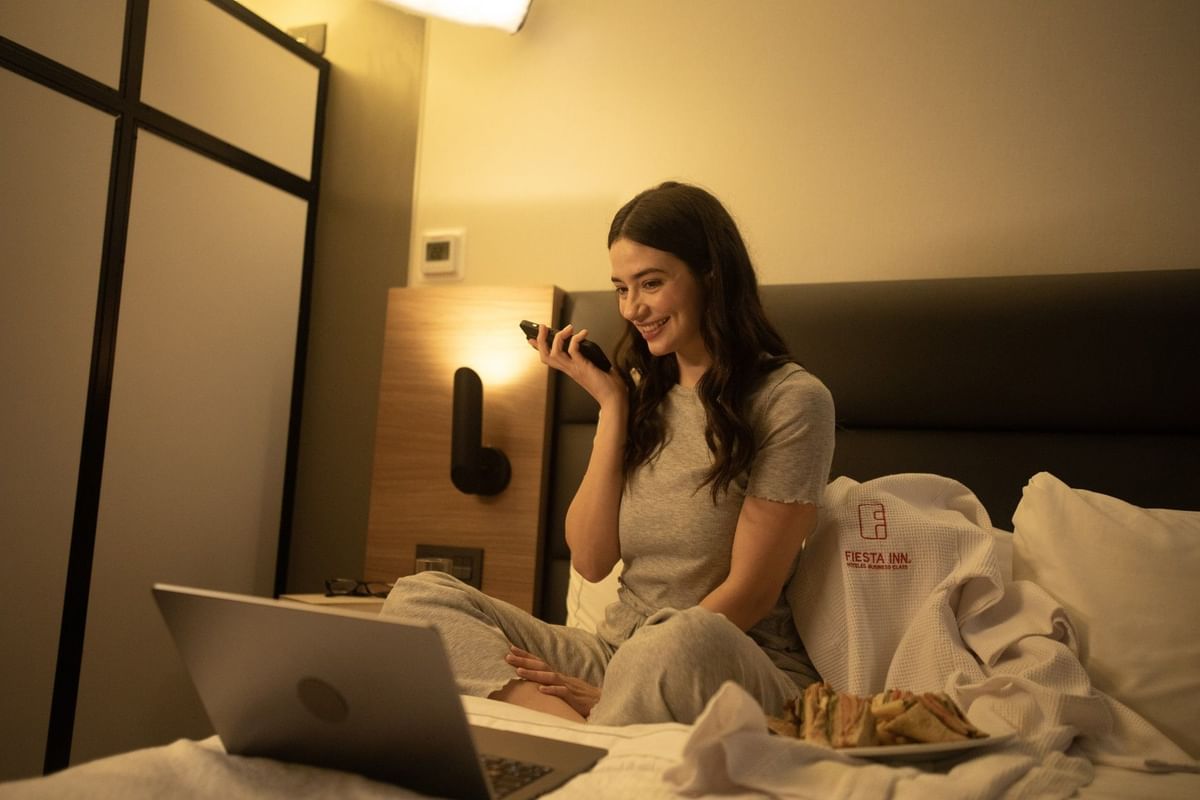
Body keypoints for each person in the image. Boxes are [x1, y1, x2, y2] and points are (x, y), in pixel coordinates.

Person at [382, 181, 834, 726]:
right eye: (621, 288)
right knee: (418, 598)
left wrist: (629, 675)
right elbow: (592, 561)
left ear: (711, 277)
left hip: (723, 658)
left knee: (681, 635)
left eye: (651, 283)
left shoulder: (791, 400)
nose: (633, 308)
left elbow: (752, 591)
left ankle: (595, 722)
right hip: (611, 654)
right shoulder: (644, 396)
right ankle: (574, 729)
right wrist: (613, 405)